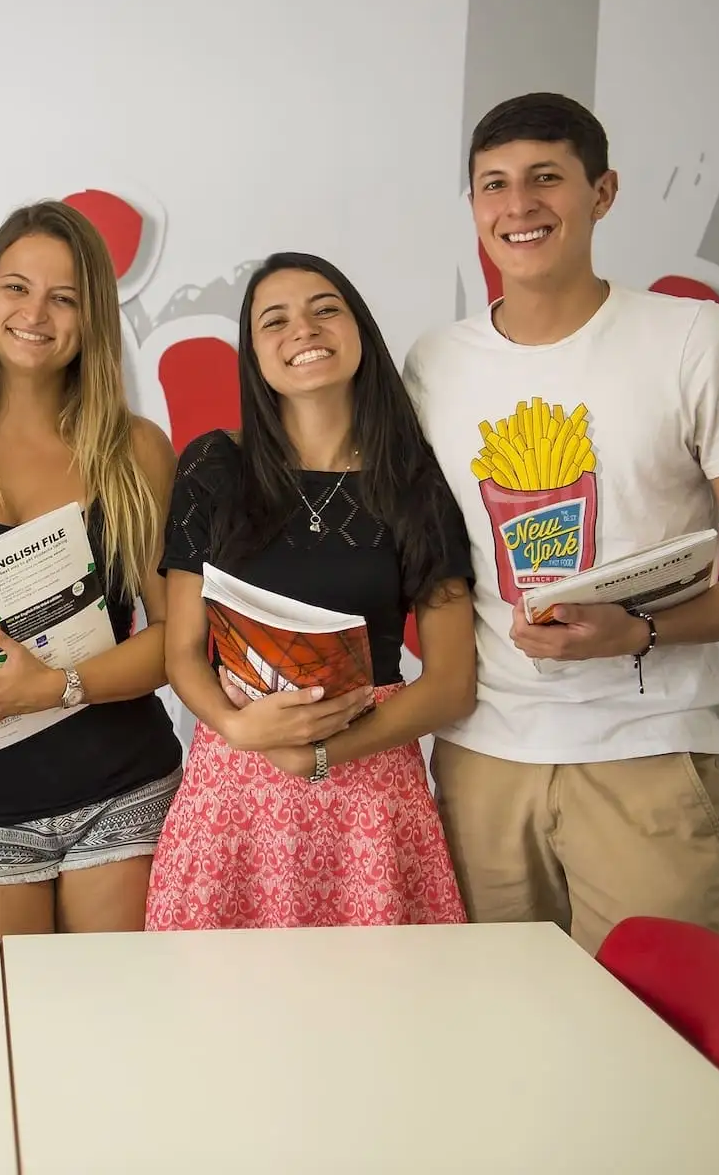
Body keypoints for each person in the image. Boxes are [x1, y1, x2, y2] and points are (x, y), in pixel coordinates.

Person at [401, 92, 719, 953]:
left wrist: (638, 631)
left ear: (604, 192)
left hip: (646, 752)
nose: (518, 206)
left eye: (546, 178)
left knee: (661, 1044)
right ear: (473, 206)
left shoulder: (692, 340)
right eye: (493, 185)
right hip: (482, 756)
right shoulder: (434, 364)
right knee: (502, 1039)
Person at [145, 252, 475, 930]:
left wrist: (321, 753)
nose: (304, 329)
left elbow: (452, 684)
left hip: (373, 795)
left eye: (325, 308)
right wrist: (240, 727)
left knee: (381, 1017)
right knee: (218, 1014)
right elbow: (182, 652)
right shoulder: (213, 466)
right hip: (233, 790)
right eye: (275, 320)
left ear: (359, 331)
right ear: (255, 355)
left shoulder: (415, 480)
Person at [0, 200, 183, 937]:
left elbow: (180, 639)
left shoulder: (136, 449)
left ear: (92, 318)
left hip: (127, 793)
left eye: (65, 298)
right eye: (16, 287)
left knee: (122, 1040)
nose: (36, 313)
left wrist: (54, 687)